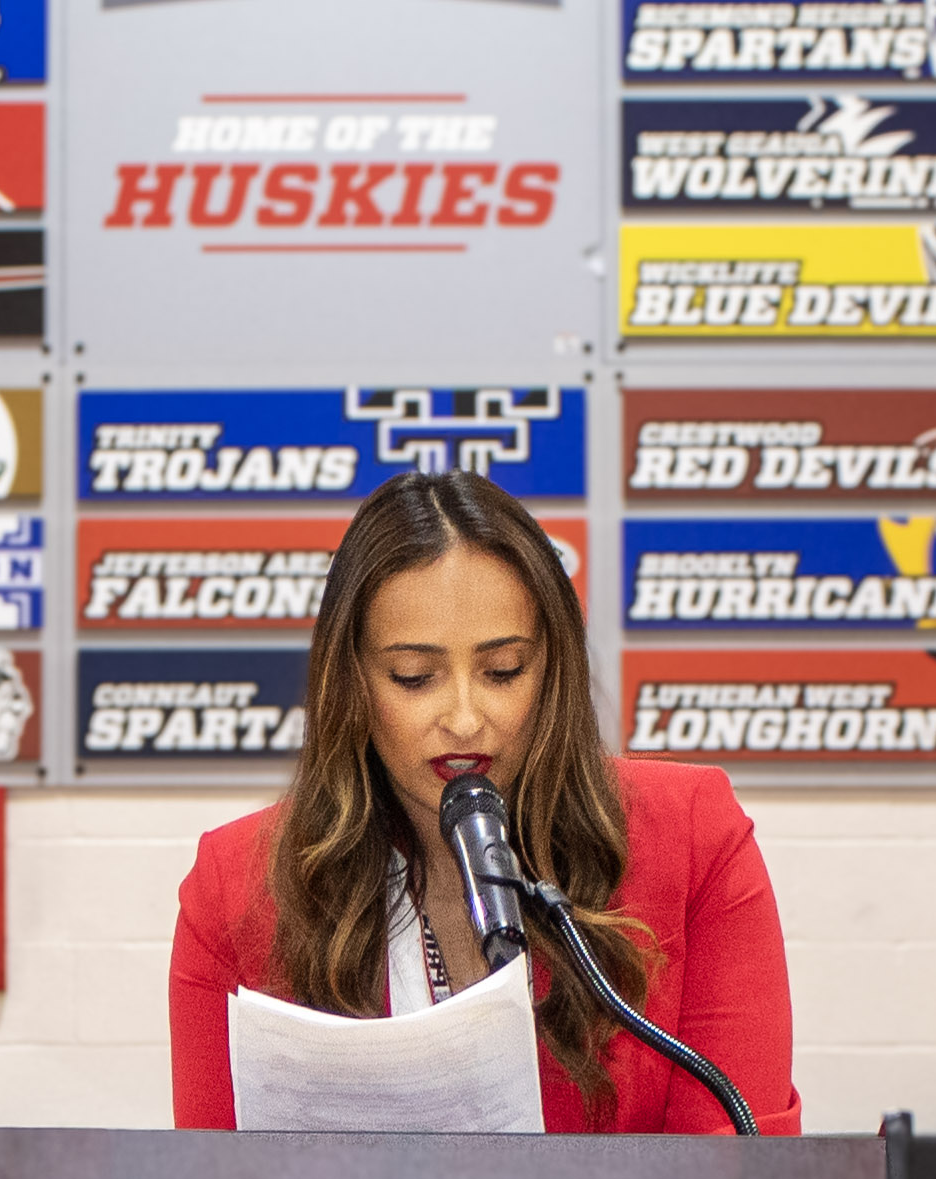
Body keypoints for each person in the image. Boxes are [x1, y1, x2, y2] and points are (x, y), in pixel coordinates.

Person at [166, 470, 794, 1135]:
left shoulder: (695, 838)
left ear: (552, 669)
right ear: (349, 682)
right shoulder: (234, 887)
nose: (465, 718)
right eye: (414, 677)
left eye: (503, 671)